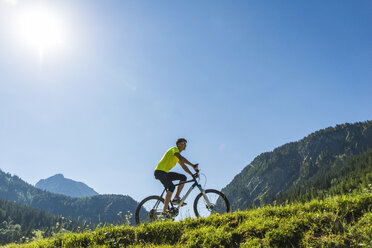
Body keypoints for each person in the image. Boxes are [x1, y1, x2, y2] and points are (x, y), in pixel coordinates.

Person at [154, 138, 199, 215]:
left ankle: (176, 198)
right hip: (159, 172)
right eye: (184, 144)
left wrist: (192, 175)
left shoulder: (177, 156)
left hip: (165, 173)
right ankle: (164, 212)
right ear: (178, 145)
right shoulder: (174, 149)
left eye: (186, 144)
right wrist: (193, 165)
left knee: (183, 177)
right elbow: (181, 158)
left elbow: (184, 166)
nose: (185, 146)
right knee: (171, 187)